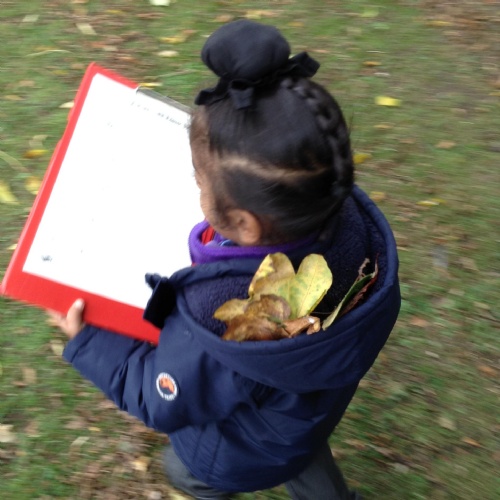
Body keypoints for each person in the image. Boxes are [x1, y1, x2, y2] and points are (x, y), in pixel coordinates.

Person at [51, 20, 400, 500]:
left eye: (198, 182)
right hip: (302, 410)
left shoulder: (227, 325)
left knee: (185, 471)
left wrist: (90, 342)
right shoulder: (351, 233)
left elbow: (160, 396)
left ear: (246, 224)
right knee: (298, 445)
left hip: (236, 449)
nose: (196, 189)